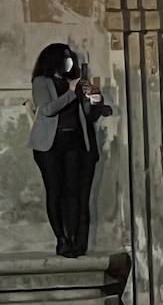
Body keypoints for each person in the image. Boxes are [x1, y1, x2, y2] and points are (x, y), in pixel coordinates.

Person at [29, 44, 109, 258]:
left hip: (75, 142)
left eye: (70, 58)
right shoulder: (41, 82)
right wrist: (72, 93)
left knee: (73, 193)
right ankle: (61, 240)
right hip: (50, 145)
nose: (68, 62)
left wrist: (95, 101)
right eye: (65, 58)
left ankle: (74, 240)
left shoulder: (73, 83)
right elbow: (47, 109)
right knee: (55, 191)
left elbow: (86, 115)